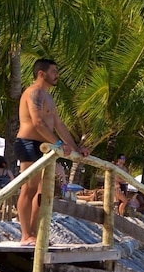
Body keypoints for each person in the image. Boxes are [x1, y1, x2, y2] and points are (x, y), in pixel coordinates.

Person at [14, 58, 90, 246]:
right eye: (54, 71)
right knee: (29, 188)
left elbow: (59, 124)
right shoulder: (33, 93)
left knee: (41, 191)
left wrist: (74, 147)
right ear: (42, 73)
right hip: (28, 143)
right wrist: (57, 143)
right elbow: (38, 122)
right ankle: (25, 235)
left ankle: (34, 234)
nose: (57, 75)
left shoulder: (48, 97)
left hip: (45, 146)